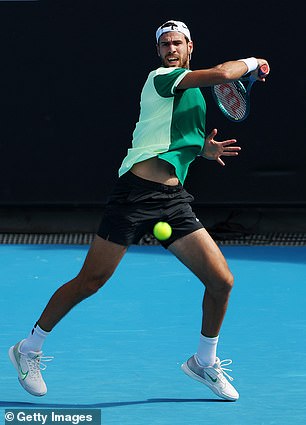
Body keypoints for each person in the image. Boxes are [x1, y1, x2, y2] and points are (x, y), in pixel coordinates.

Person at [9, 20, 269, 401]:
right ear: (159, 51)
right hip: (134, 194)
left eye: (177, 43)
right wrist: (254, 60)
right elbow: (221, 74)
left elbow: (172, 136)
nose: (170, 49)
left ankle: (203, 361)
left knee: (221, 281)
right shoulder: (162, 78)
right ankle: (28, 348)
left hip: (173, 200)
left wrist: (203, 150)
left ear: (190, 45)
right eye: (164, 44)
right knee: (91, 281)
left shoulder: (190, 92)